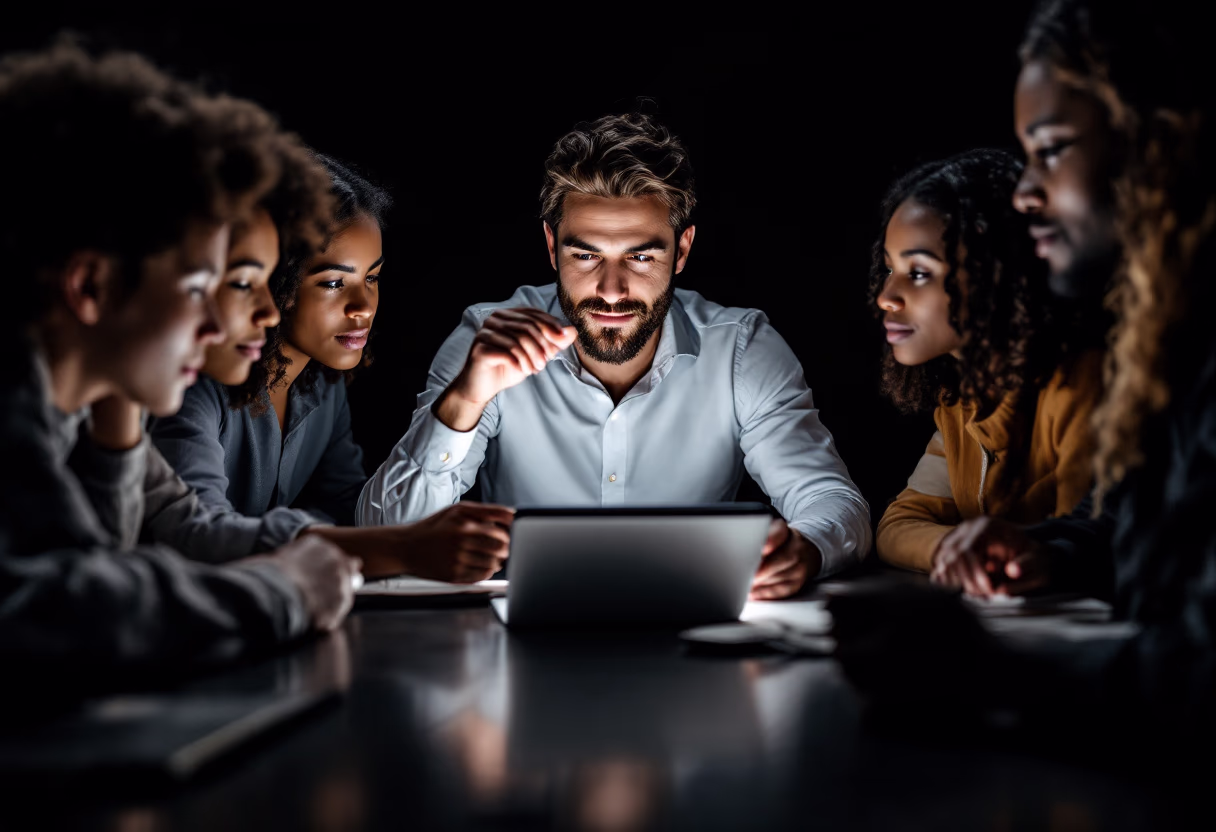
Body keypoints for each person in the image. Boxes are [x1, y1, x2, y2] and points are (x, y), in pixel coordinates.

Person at [831, 0, 1216, 731]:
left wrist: (985, 666)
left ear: (1160, 143)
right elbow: (1109, 530)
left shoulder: (1107, 376)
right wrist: (1044, 549)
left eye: (1052, 149)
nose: (1026, 193)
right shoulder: (1163, 351)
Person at [358, 113, 871, 599]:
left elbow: (834, 504)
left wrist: (805, 550)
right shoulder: (487, 337)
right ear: (550, 245)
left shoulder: (741, 347)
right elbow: (385, 534)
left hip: (693, 635)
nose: (610, 290)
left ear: (683, 249)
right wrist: (465, 400)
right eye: (585, 255)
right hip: (520, 640)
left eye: (641, 256)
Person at [0, 42, 359, 682]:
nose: (217, 323)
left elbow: (82, 570)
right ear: (90, 288)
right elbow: (69, 615)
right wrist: (285, 592)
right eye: (199, 288)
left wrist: (117, 422)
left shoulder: (58, 407)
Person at [151, 156, 513, 583]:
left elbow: (349, 513)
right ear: (275, 277)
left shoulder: (321, 384)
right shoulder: (193, 384)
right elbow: (195, 536)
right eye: (332, 283)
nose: (363, 307)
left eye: (372, 278)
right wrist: (402, 547)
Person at [871, 149, 1103, 577]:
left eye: (918, 272)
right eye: (889, 269)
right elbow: (898, 525)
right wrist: (955, 550)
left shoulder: (1080, 384)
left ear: (995, 275)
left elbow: (1096, 539)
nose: (886, 296)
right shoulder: (960, 403)